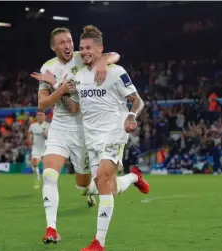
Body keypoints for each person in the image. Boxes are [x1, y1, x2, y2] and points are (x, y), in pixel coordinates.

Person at [30, 27, 121, 244]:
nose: (68, 45)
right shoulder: (48, 68)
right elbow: (42, 104)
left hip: (84, 131)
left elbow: (114, 55)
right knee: (49, 175)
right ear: (54, 47)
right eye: (61, 42)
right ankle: (51, 229)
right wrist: (58, 88)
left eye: (69, 41)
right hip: (60, 128)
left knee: (84, 188)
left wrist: (101, 62)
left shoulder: (83, 57)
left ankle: (129, 179)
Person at [71, 25, 150, 251]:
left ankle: (99, 243)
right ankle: (134, 178)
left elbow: (138, 100)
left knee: (104, 182)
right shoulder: (79, 75)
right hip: (91, 138)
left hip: (114, 133)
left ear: (100, 49)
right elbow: (76, 105)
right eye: (81, 48)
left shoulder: (116, 71)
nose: (84, 52)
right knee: (108, 188)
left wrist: (131, 116)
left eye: (88, 48)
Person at [27, 111, 50, 189]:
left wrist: (45, 135)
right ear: (36, 116)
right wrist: (29, 140)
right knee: (34, 163)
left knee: (46, 168)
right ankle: (37, 179)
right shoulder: (33, 125)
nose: (40, 116)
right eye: (38, 115)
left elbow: (50, 138)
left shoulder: (48, 126)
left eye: (41, 115)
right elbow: (30, 134)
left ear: (44, 116)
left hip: (46, 148)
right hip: (36, 148)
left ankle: (47, 183)